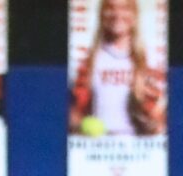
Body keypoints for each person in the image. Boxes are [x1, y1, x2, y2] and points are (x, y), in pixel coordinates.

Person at [69, 0, 166, 136]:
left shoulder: (150, 61)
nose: (117, 14)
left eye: (125, 8)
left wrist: (156, 123)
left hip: (141, 151)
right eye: (110, 8)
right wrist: (78, 125)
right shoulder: (89, 62)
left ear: (134, 15)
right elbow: (74, 113)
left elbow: (162, 116)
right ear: (101, 14)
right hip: (96, 150)